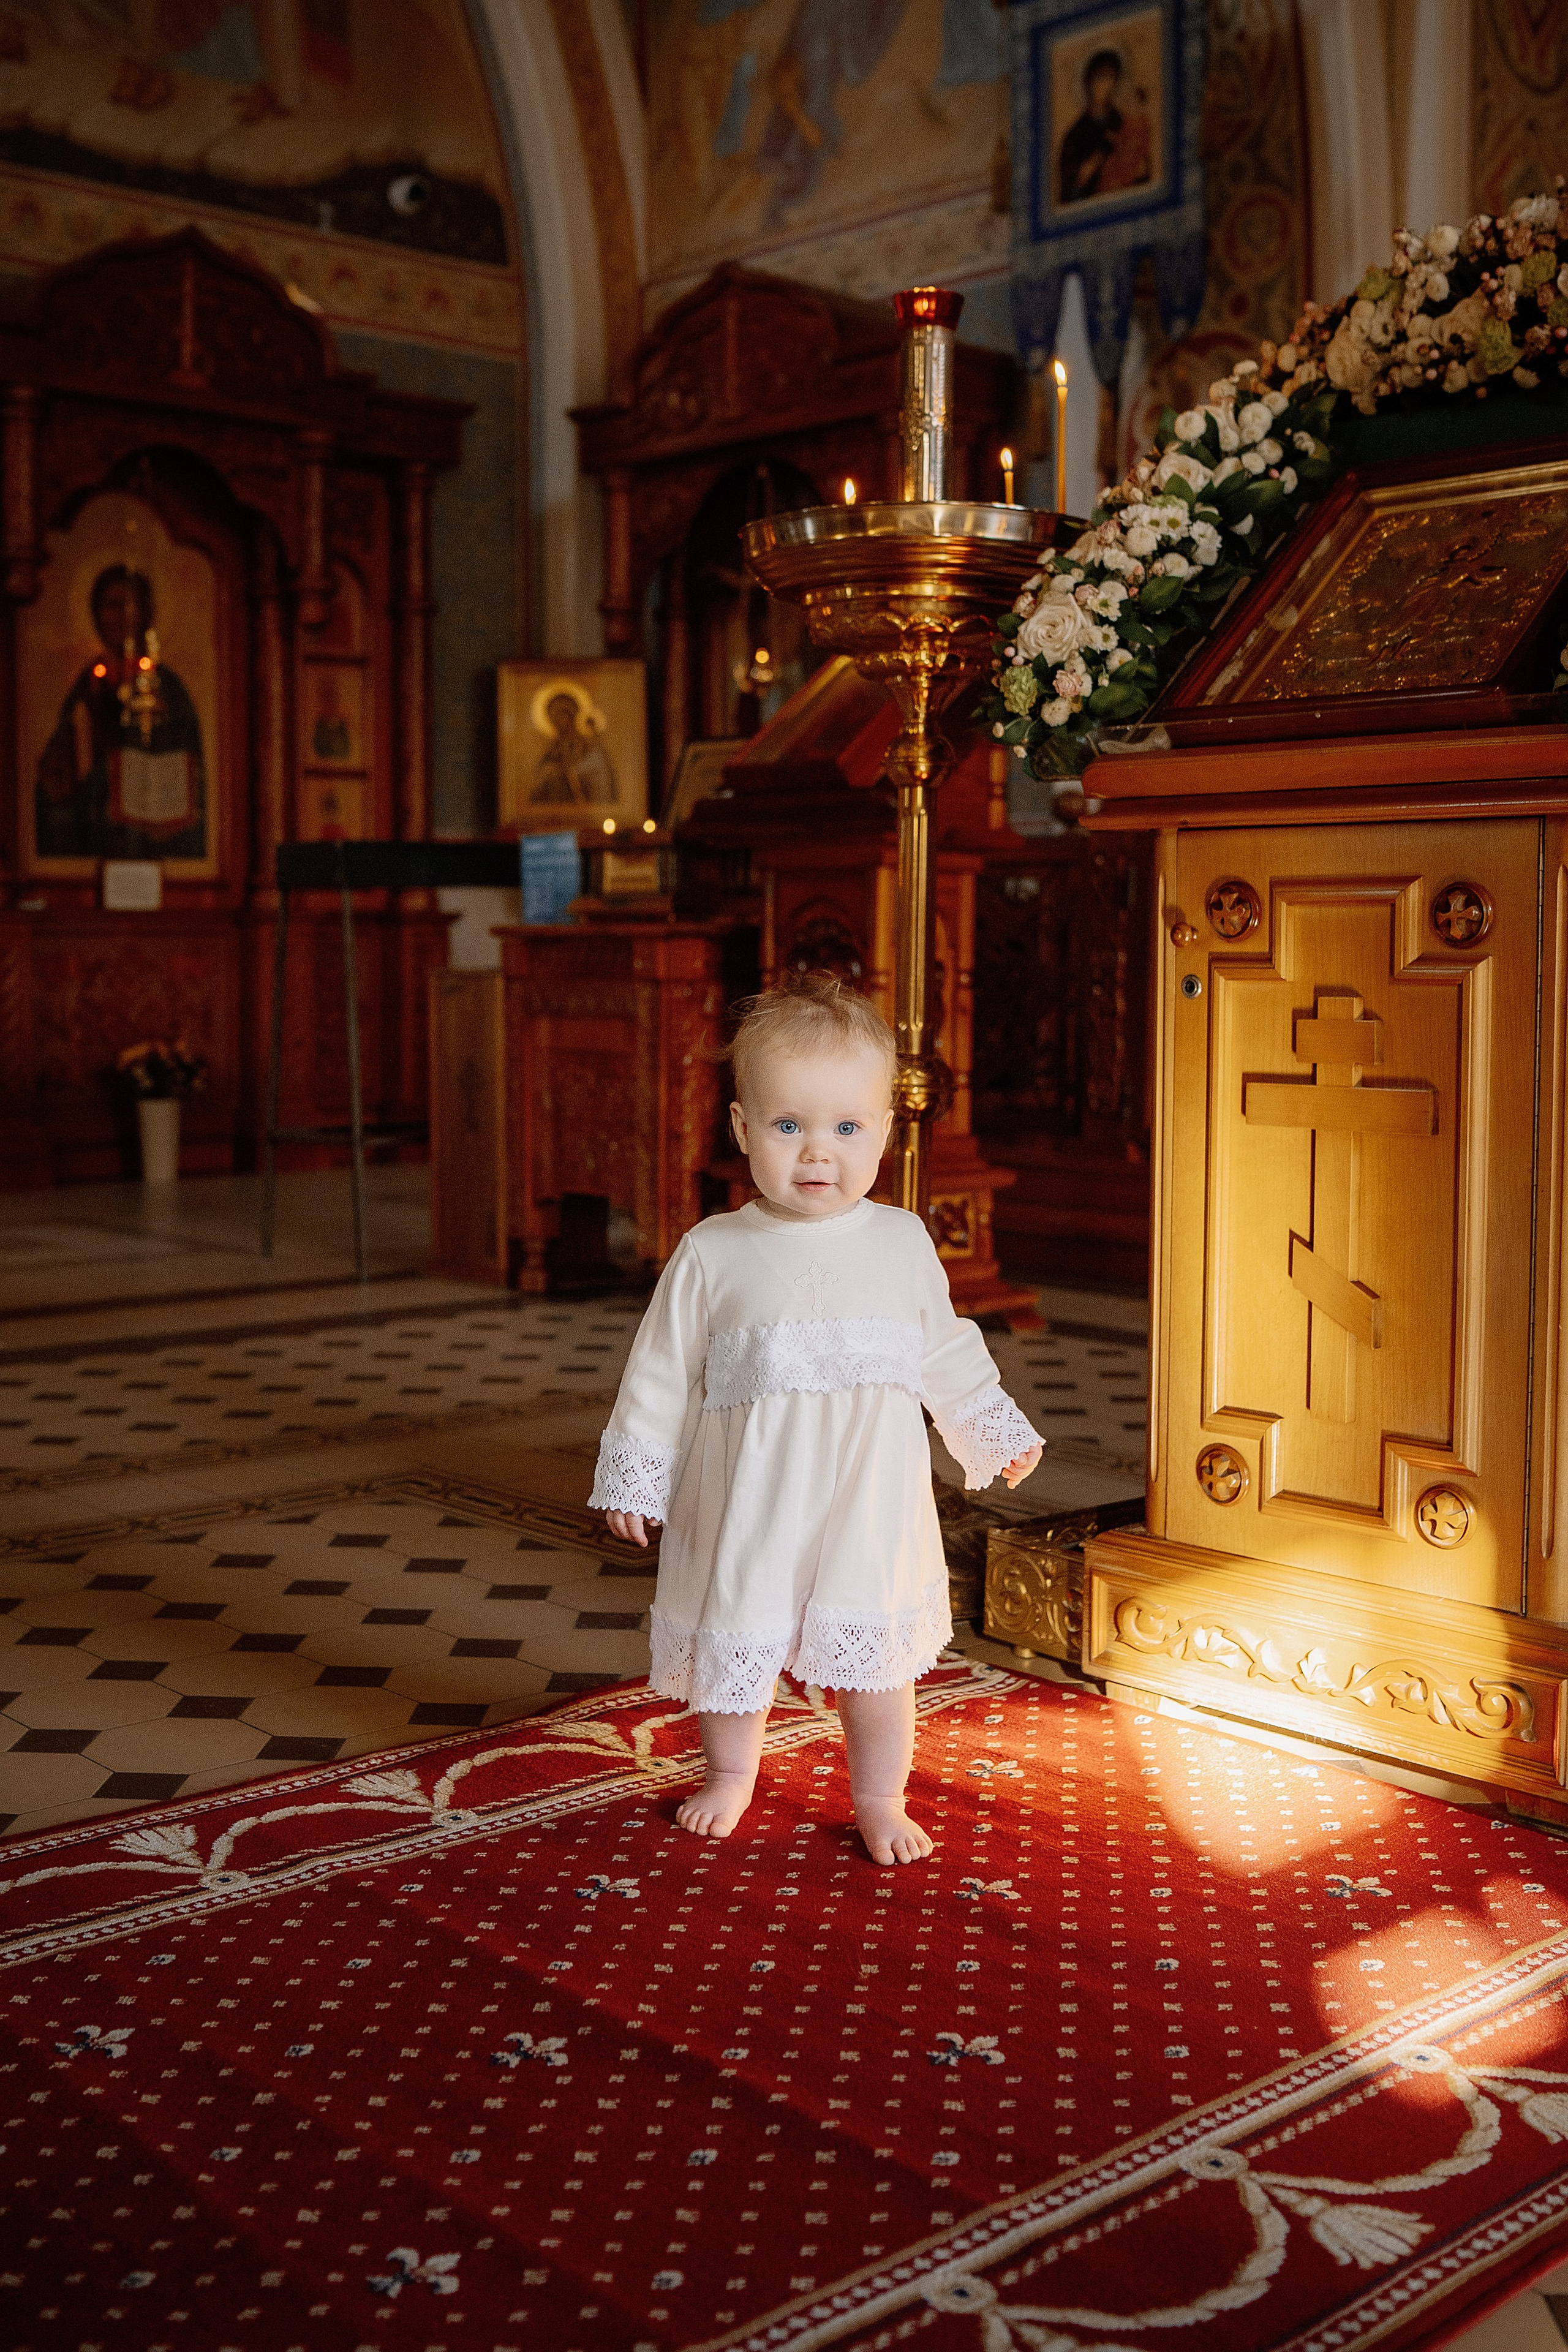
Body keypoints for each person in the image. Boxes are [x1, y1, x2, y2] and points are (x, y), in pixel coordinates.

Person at [589, 975, 1042, 1864]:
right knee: (738, 1642)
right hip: (750, 1501)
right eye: (788, 1126)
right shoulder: (713, 1253)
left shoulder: (902, 1240)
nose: (816, 1154)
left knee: (875, 1660)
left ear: (884, 1131)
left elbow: (943, 1349)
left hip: (869, 1503)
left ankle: (879, 1794)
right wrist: (635, 1475)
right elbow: (659, 1374)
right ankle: (729, 1773)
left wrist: (992, 1428)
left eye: (845, 1128)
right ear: (742, 1130)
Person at [34, 564, 206, 862]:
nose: (122, 616)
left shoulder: (167, 687)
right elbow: (60, 769)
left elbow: (188, 763)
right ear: (96, 614)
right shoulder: (87, 685)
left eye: (132, 605)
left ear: (147, 613)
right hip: (97, 832)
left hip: (155, 834)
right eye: (112, 605)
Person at [1058, 45, 1129, 206]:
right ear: (1088, 81)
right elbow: (1070, 189)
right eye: (1100, 77)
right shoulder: (1076, 134)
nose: (1105, 85)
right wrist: (1088, 169)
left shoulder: (1121, 122)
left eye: (1111, 78)